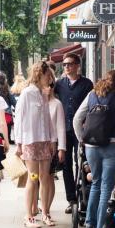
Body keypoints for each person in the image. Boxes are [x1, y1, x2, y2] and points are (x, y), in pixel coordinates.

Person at [73, 69, 115, 228]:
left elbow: (77, 118)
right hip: (113, 145)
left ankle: (90, 225)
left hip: (91, 147)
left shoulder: (92, 94)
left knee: (96, 184)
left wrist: (82, 139)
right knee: (107, 186)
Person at [14, 60, 56, 228]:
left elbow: (48, 119)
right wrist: (18, 143)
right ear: (40, 74)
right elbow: (19, 118)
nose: (50, 80)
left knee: (45, 177)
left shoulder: (43, 94)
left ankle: (45, 213)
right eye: (48, 76)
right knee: (33, 177)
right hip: (30, 140)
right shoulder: (27, 93)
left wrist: (52, 139)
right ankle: (29, 215)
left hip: (44, 140)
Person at [54, 53, 93, 213]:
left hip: (81, 130)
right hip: (63, 129)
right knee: (65, 164)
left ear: (78, 65)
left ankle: (84, 195)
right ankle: (71, 199)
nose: (66, 67)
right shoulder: (59, 84)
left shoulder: (87, 84)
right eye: (64, 64)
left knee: (83, 162)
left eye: (69, 64)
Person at [42, 70, 66, 219]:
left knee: (48, 177)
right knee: (38, 179)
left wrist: (61, 148)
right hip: (37, 144)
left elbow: (61, 127)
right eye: (46, 85)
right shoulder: (37, 102)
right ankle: (36, 208)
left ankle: (47, 210)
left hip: (51, 145)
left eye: (51, 85)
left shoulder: (56, 104)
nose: (49, 88)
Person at [0, 71, 16, 142]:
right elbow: (13, 101)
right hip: (7, 113)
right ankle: (8, 138)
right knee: (8, 125)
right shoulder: (7, 89)